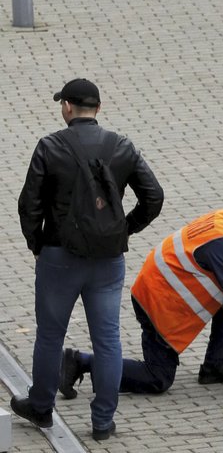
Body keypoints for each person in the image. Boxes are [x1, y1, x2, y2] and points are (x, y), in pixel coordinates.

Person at [13, 78, 164, 441]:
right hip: (108, 260)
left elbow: (28, 204)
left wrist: (38, 244)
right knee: (108, 339)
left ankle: (42, 406)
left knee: (50, 336)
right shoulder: (122, 146)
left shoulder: (50, 146)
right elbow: (154, 196)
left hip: (59, 256)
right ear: (99, 107)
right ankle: (102, 422)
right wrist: (124, 230)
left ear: (67, 107)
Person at [59, 182, 223, 402]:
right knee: (157, 379)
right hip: (157, 303)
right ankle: (80, 362)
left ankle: (215, 365)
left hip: (162, 289)